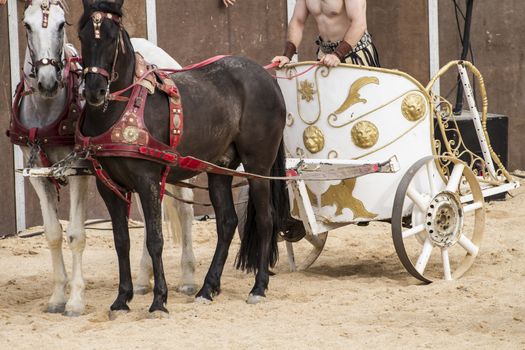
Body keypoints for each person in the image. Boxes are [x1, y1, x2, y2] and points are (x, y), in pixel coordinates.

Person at [273, 0, 379, 68]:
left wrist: (337, 55)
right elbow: (298, 22)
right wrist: (287, 56)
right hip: (325, 55)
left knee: (362, 101)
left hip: (355, 54)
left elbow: (359, 24)